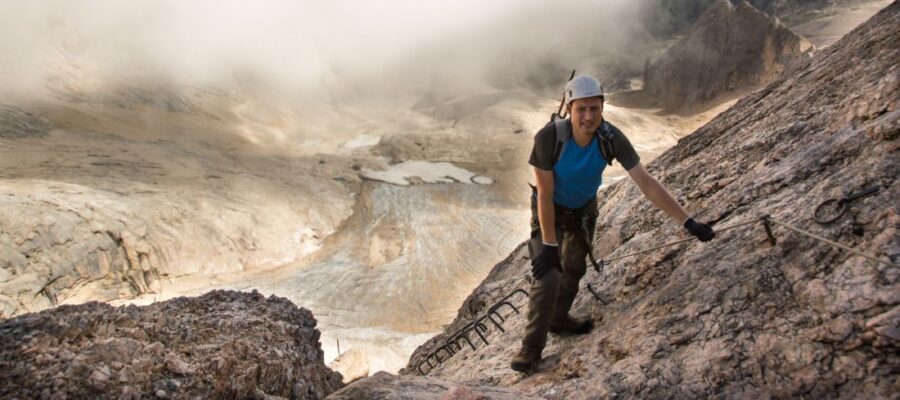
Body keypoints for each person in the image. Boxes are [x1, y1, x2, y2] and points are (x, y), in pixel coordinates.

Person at [510, 75, 715, 373]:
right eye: (581, 109)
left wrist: (688, 222)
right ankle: (530, 349)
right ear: (569, 108)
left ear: (603, 107)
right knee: (549, 274)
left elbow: (646, 182)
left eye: (595, 109)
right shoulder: (549, 138)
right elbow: (544, 191)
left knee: (575, 269)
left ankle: (559, 318)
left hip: (582, 212)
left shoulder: (610, 138)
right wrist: (550, 245)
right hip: (550, 209)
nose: (589, 116)